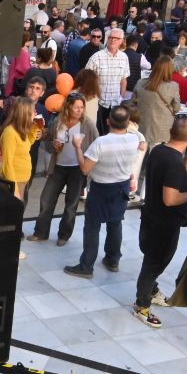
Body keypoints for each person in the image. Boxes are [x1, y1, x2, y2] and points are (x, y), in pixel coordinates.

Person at [133, 117, 187, 328]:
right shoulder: (173, 162)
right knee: (154, 263)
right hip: (163, 224)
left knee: (154, 260)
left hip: (152, 217)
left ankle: (151, 290)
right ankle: (142, 305)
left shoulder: (159, 150)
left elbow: (176, 177)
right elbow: (171, 199)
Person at [63, 106, 144, 278]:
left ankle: (86, 266)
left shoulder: (101, 142)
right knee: (115, 223)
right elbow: (142, 142)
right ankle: (113, 260)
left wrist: (78, 147)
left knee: (92, 226)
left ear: (108, 121)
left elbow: (85, 169)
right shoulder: (134, 139)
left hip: (101, 188)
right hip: (122, 187)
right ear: (128, 123)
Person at [30, 93, 96, 245]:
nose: (79, 110)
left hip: (77, 169)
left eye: (81, 107)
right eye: (76, 107)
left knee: (71, 204)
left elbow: (97, 144)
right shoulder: (59, 120)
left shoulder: (88, 125)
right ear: (68, 107)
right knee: (46, 199)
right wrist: (50, 141)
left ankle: (64, 235)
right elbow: (49, 136)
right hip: (58, 166)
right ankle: (40, 232)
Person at [0, 96, 42, 201]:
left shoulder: (20, 130)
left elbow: (28, 145)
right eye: (33, 111)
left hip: (23, 178)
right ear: (25, 113)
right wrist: (14, 189)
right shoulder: (10, 133)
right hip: (15, 180)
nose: (35, 113)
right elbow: (7, 163)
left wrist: (35, 127)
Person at [136, 54, 182, 150]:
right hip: (162, 129)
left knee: (140, 156)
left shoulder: (141, 83)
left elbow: (133, 103)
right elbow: (177, 108)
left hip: (142, 126)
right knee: (155, 156)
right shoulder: (173, 86)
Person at [91, 27, 131, 128]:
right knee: (99, 131)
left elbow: (124, 80)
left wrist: (121, 97)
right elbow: (87, 79)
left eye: (116, 38)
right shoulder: (96, 57)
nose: (113, 40)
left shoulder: (124, 57)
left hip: (116, 103)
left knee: (114, 132)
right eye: (111, 37)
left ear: (121, 41)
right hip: (99, 103)